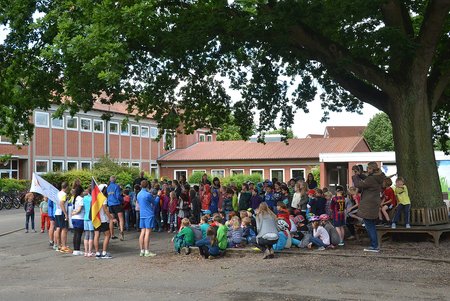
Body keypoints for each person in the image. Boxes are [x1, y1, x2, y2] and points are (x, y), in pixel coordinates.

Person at [356, 161, 385, 253]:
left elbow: (359, 184)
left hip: (369, 204)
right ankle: (375, 245)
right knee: (371, 224)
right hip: (374, 203)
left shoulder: (372, 179)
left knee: (370, 226)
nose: (367, 170)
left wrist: (356, 176)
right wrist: (361, 175)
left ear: (372, 169)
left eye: (368, 168)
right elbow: (368, 179)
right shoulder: (378, 176)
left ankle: (374, 246)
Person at [138, 180, 160, 257]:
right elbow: (155, 203)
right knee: (147, 233)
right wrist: (158, 196)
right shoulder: (147, 194)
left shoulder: (139, 194)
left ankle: (142, 251)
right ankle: (147, 251)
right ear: (147, 186)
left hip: (142, 214)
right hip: (148, 214)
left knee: (142, 232)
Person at [94, 184, 116, 259]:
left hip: (96, 219)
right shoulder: (103, 198)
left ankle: (97, 252)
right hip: (103, 219)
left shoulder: (95, 198)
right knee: (107, 235)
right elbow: (105, 209)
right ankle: (104, 252)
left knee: (96, 235)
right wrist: (111, 218)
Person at [107, 176, 125, 241]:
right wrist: (122, 200)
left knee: (111, 219)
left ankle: (112, 235)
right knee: (121, 218)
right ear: (115, 180)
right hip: (116, 203)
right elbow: (118, 196)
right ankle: (121, 232)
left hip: (110, 204)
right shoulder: (116, 186)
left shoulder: (108, 187)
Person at [54, 182, 71, 253]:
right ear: (66, 187)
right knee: (64, 229)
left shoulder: (58, 193)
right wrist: (65, 213)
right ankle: (63, 246)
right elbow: (61, 203)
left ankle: (59, 245)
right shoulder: (64, 194)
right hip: (61, 213)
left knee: (58, 228)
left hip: (57, 212)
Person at [71, 188, 85, 256]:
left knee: (75, 234)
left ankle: (75, 249)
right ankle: (77, 250)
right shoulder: (80, 199)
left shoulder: (75, 198)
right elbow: (79, 209)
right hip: (79, 218)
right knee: (79, 234)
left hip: (74, 218)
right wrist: (75, 213)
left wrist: (73, 213)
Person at [83, 187, 95, 257]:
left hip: (85, 217)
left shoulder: (84, 198)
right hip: (91, 218)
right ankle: (90, 251)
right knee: (91, 235)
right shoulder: (92, 199)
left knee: (86, 235)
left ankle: (86, 251)